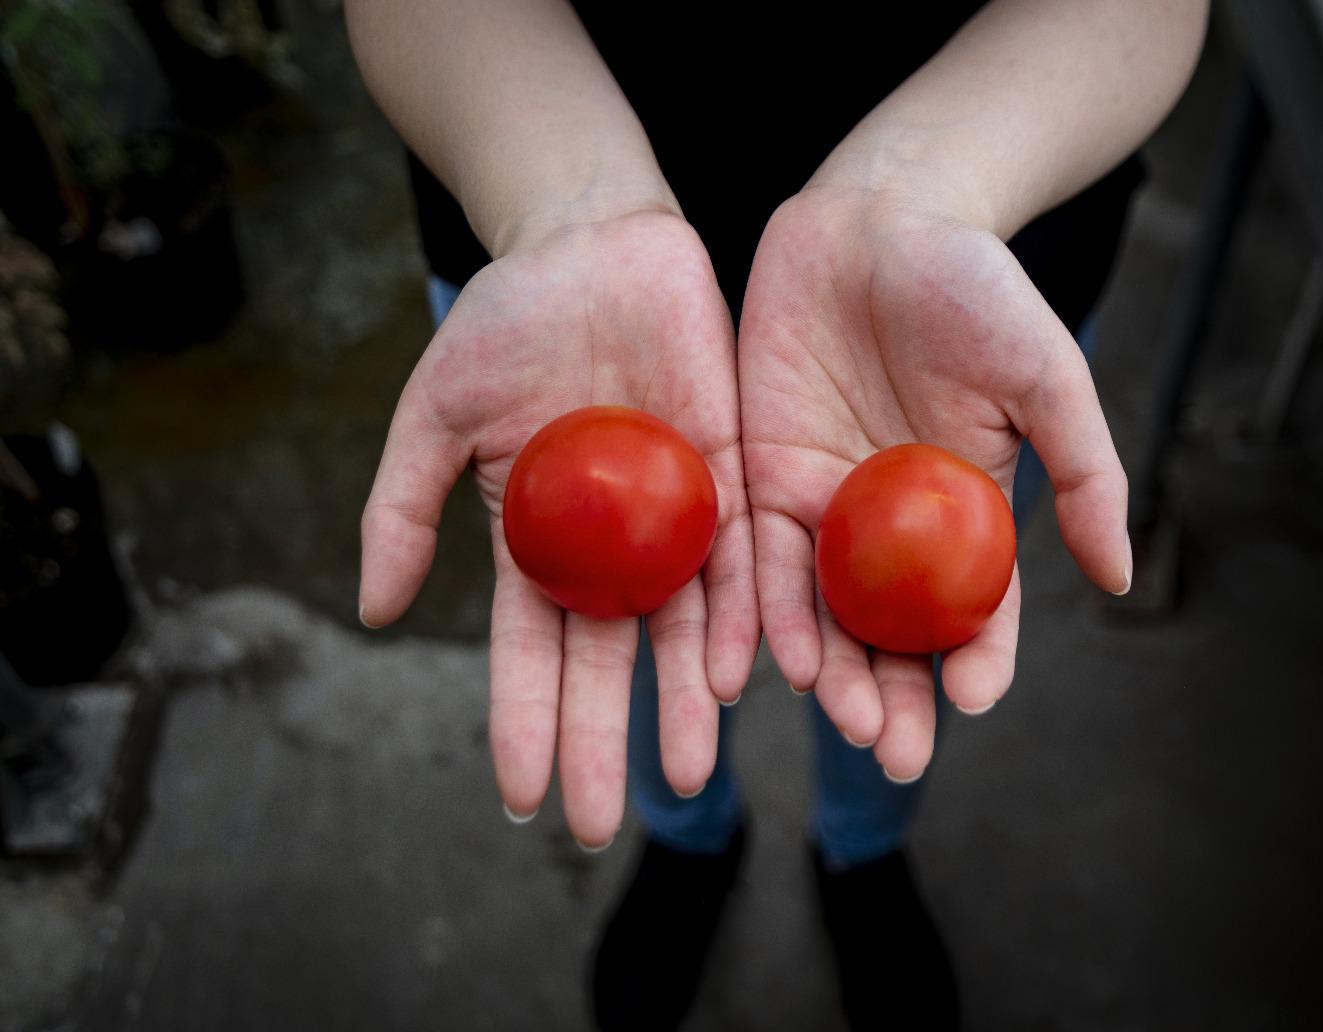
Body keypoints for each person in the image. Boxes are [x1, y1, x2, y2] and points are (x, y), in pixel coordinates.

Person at [343, 1, 1207, 1028]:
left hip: (954, 288)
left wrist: (923, 197)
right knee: (641, 643)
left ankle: (863, 850)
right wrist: (563, 203)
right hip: (551, 263)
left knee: (892, 661)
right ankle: (688, 837)